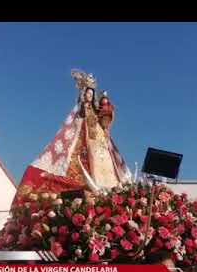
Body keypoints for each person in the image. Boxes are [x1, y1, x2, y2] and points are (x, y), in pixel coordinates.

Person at [13, 70, 131, 203]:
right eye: (88, 93)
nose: (89, 96)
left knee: (107, 168)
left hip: (98, 147)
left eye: (92, 94)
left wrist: (106, 108)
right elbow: (72, 125)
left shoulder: (96, 112)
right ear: (83, 94)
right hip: (84, 142)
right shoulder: (80, 111)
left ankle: (109, 186)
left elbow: (106, 121)